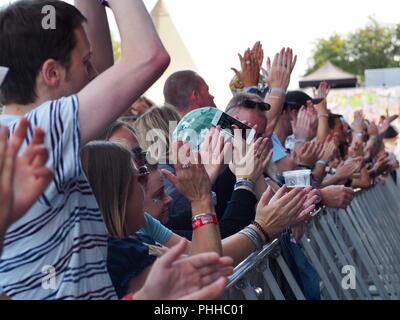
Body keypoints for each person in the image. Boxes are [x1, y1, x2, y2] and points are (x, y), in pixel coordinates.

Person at [0, 0, 171, 299]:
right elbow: (149, 57)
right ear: (52, 73)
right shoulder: (41, 130)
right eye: (85, 63)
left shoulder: (20, 133)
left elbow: (105, 72)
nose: (94, 74)